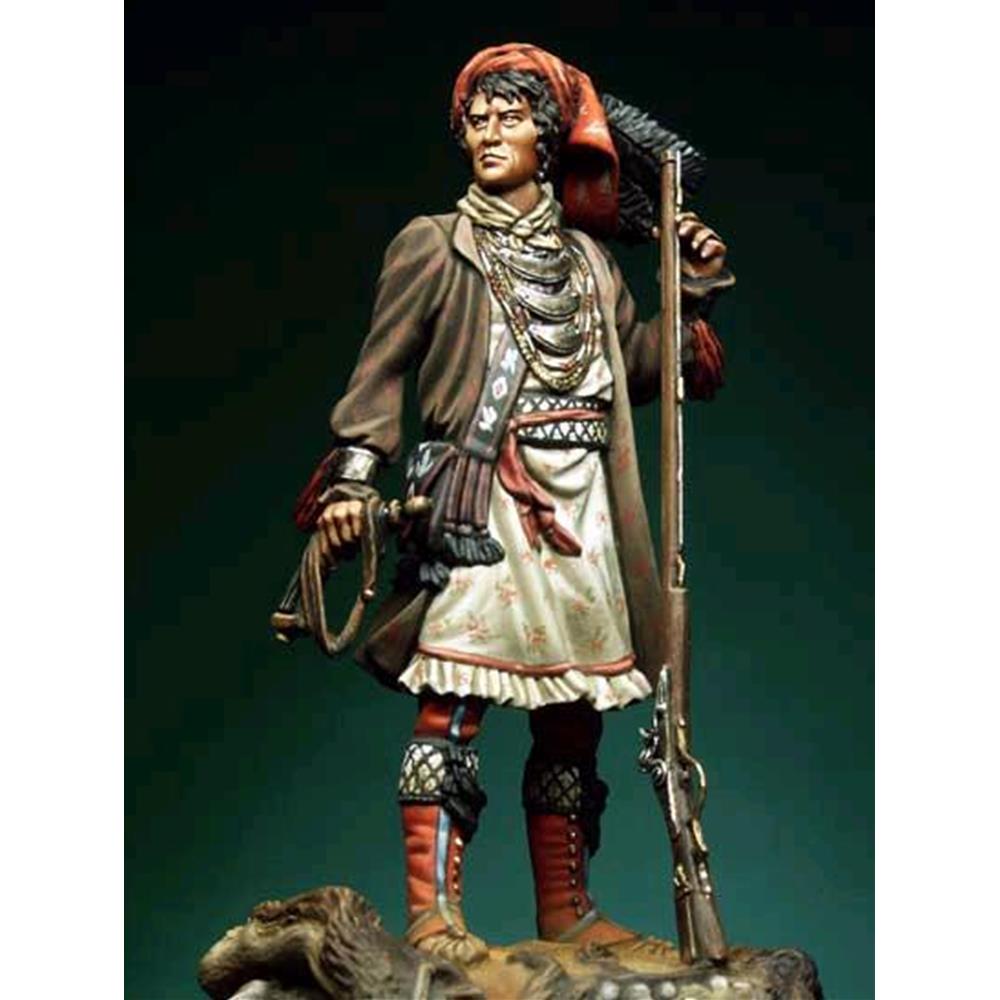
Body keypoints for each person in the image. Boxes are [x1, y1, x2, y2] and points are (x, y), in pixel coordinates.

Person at [292, 43, 733, 964]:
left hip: (585, 515)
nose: (489, 134)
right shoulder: (435, 245)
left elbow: (638, 367)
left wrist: (686, 290)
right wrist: (353, 480)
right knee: (452, 702)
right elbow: (379, 375)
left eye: (511, 118)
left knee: (572, 714)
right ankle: (433, 919)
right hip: (482, 502)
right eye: (476, 121)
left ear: (547, 138)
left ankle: (567, 913)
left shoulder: (588, 262)